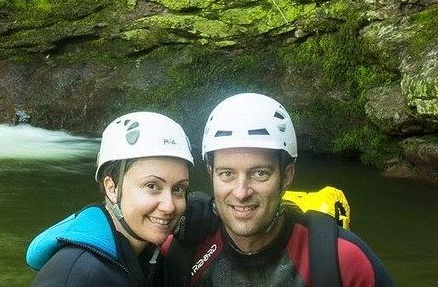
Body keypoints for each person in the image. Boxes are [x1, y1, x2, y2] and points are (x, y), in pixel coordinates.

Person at [164, 93, 396, 286]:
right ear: (211, 174)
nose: (241, 192)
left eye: (260, 173)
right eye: (227, 174)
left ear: (287, 175)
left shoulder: (343, 260)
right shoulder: (179, 249)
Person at [26, 111, 194, 286]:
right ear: (112, 187)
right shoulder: (75, 277)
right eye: (152, 186)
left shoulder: (146, 254)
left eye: (178, 189)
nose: (169, 206)